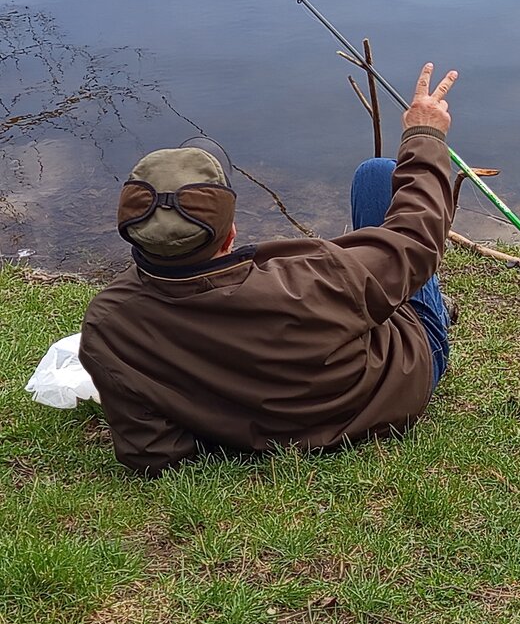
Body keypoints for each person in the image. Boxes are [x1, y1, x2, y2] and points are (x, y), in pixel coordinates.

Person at [79, 63, 459, 475]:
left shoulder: (110, 322)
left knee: (377, 258)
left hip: (254, 424)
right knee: (378, 177)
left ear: (133, 233)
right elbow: (417, 240)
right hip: (388, 390)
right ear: (230, 235)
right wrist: (425, 135)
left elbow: (153, 453)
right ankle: (433, 312)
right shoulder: (309, 281)